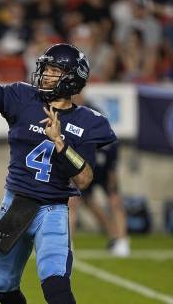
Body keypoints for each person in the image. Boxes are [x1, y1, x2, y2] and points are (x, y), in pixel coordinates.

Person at [0, 12, 116, 304]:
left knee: (56, 288)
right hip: (15, 206)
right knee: (3, 289)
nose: (45, 75)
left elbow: (85, 179)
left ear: (72, 79)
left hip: (52, 210)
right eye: (46, 69)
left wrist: (60, 144)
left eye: (53, 71)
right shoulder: (22, 98)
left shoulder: (88, 121)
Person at [68, 94, 130, 257]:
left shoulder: (107, 142)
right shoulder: (75, 137)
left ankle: (122, 240)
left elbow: (111, 167)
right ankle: (68, 242)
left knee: (115, 200)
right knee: (75, 202)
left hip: (102, 170)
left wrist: (113, 185)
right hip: (84, 169)